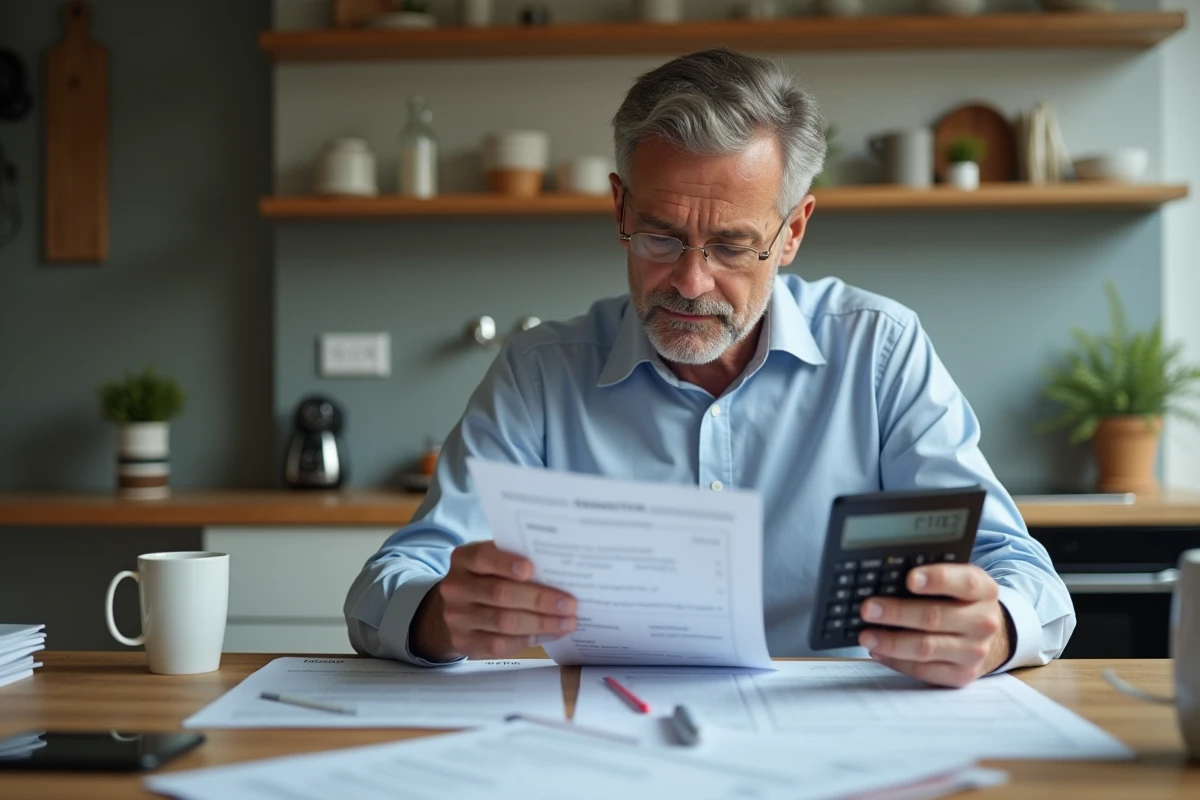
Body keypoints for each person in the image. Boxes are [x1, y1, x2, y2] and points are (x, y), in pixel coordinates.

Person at [345, 48, 1074, 688]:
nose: (691, 282)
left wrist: (998, 625)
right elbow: (385, 586)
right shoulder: (541, 373)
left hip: (840, 740)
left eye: (731, 246)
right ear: (619, 209)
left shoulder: (880, 352)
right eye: (660, 238)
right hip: (604, 746)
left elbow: (1027, 577)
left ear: (792, 233)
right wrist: (440, 616)